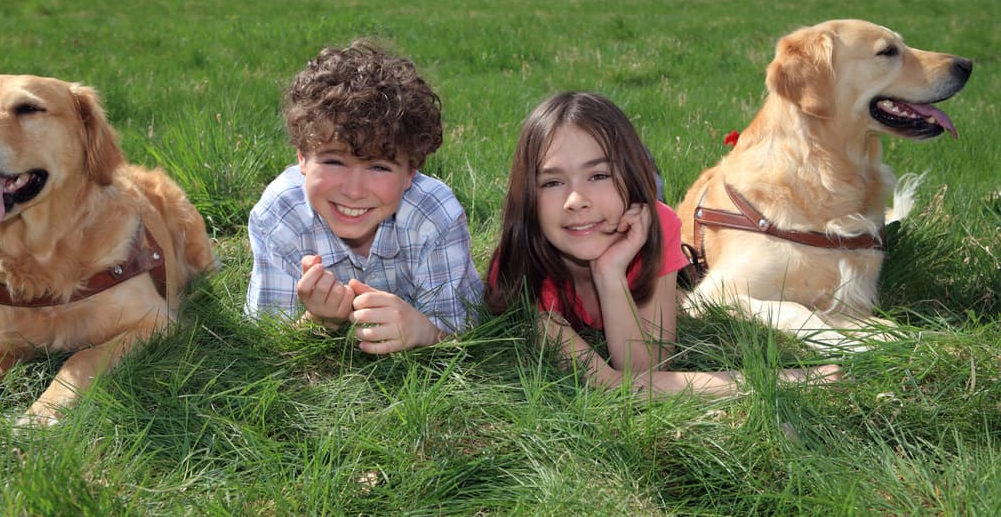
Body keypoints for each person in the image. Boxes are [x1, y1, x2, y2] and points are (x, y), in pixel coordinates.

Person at [486, 92, 840, 395]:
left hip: (637, 205)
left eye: (598, 174)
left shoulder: (657, 225)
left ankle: (644, 178)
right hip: (605, 217)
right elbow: (617, 383)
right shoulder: (520, 272)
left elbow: (651, 362)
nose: (575, 199)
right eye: (552, 182)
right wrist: (789, 379)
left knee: (650, 198)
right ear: (527, 197)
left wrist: (609, 274)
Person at [246, 40, 484, 354]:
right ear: (302, 156)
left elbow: (462, 337)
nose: (354, 191)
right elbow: (267, 342)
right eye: (334, 162)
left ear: (410, 172)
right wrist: (318, 320)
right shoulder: (279, 215)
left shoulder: (435, 215)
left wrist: (425, 333)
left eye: (379, 167)